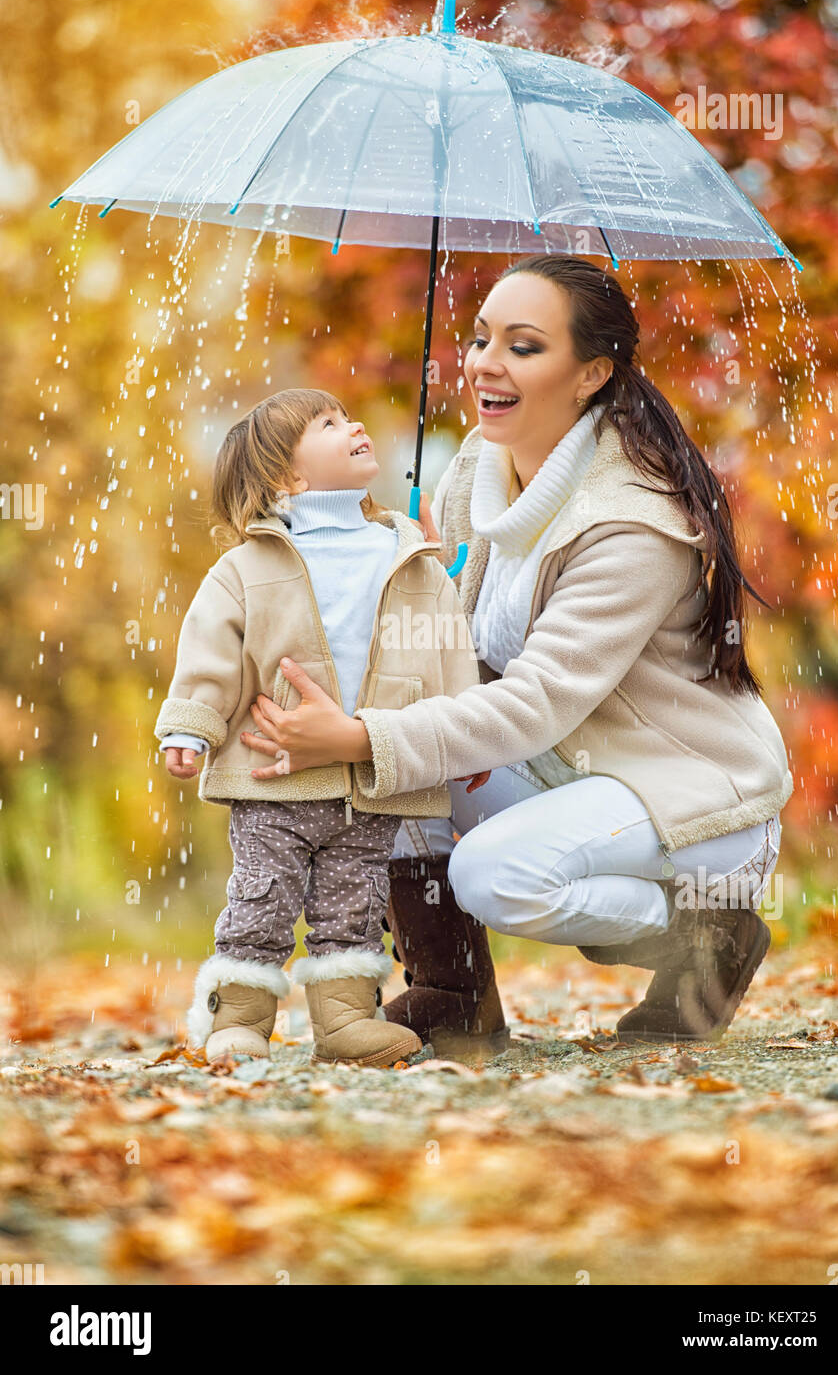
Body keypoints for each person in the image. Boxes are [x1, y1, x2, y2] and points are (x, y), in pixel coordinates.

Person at [238, 255, 794, 1050]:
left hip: (685, 792)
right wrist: (405, 586)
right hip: (565, 765)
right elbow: (455, 663)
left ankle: (709, 934)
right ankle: (453, 995)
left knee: (491, 873)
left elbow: (535, 703)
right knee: (387, 776)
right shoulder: (475, 470)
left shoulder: (631, 523)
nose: (483, 364)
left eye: (523, 346)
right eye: (478, 338)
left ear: (590, 373)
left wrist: (363, 736)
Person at [154, 388, 483, 1066]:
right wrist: (190, 727)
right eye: (328, 425)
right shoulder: (246, 567)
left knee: (354, 906)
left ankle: (344, 1023)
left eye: (345, 415)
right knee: (261, 898)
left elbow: (446, 649)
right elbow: (210, 652)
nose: (353, 423)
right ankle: (239, 1018)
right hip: (273, 775)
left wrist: (461, 737)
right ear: (289, 478)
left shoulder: (406, 556)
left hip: (371, 778)